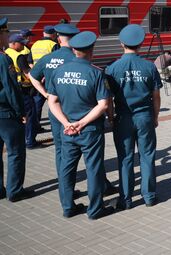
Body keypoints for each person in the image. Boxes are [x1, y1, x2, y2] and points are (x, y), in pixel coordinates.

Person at [47, 31, 114, 219]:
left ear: (74, 50)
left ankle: (68, 208)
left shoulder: (58, 71)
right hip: (90, 131)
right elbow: (104, 105)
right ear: (91, 50)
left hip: (67, 131)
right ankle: (95, 210)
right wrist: (82, 123)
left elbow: (52, 101)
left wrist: (67, 123)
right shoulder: (96, 73)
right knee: (93, 169)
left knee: (66, 169)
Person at [106, 24, 163, 210]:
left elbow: (108, 99)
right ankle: (149, 196)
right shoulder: (149, 66)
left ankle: (126, 199)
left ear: (121, 43)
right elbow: (156, 96)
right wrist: (155, 117)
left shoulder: (112, 68)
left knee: (125, 158)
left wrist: (111, 118)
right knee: (147, 156)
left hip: (123, 117)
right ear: (140, 44)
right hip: (144, 116)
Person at [29, 23, 81, 203]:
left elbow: (32, 77)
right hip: (74, 112)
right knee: (80, 151)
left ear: (58, 38)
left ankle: (65, 191)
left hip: (54, 111)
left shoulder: (48, 58)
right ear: (75, 39)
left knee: (60, 151)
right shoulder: (75, 58)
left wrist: (45, 94)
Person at [0, 17, 34, 202]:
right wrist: (21, 112)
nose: (7, 35)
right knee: (15, 153)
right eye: (5, 32)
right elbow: (10, 88)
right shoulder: (3, 59)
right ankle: (15, 191)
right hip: (6, 114)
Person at [5, 34, 40, 149]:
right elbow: (27, 73)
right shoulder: (18, 56)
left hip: (12, 89)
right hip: (24, 90)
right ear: (14, 44)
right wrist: (39, 78)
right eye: (21, 43)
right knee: (30, 115)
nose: (24, 44)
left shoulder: (6, 53)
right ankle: (30, 141)